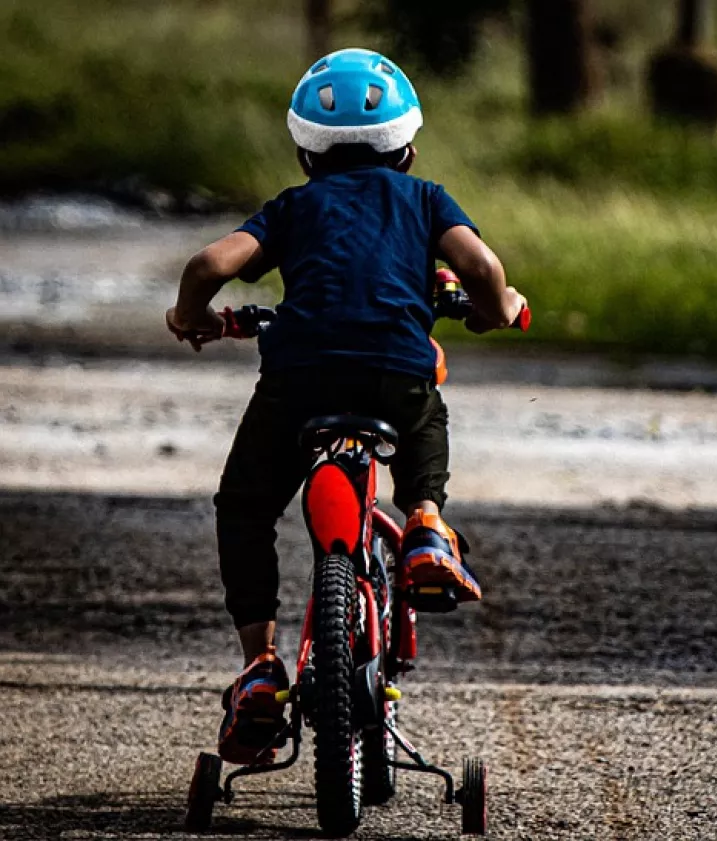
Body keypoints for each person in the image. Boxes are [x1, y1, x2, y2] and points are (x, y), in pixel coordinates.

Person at [165, 48, 526, 765]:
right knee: (425, 408)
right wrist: (498, 305)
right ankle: (425, 522)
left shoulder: (294, 208)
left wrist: (193, 316)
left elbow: (209, 265)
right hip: (393, 369)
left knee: (243, 506)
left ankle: (262, 669)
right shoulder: (426, 199)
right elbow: (481, 269)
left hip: (300, 377)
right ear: (410, 149)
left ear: (305, 155)